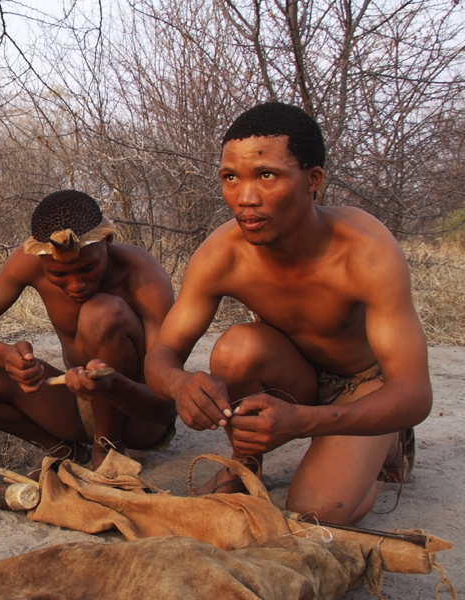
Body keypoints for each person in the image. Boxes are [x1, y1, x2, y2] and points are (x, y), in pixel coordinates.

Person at [144, 102, 432, 525]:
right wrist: (179, 383)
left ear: (313, 180)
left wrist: (305, 422)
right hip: (298, 378)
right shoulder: (221, 256)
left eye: (266, 175)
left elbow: (413, 393)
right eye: (230, 178)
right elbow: (161, 354)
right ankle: (244, 466)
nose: (245, 198)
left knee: (317, 509)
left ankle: (384, 442)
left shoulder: (364, 250)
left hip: (366, 385)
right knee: (237, 349)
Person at [0, 190, 178, 470]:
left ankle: (108, 447)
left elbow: (164, 407)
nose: (76, 286)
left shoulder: (142, 274)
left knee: (100, 312)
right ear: (40, 260)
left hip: (138, 418)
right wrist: (4, 356)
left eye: (88, 268)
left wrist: (113, 386)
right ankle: (64, 450)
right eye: (60, 275)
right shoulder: (27, 261)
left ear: (108, 241)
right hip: (78, 403)